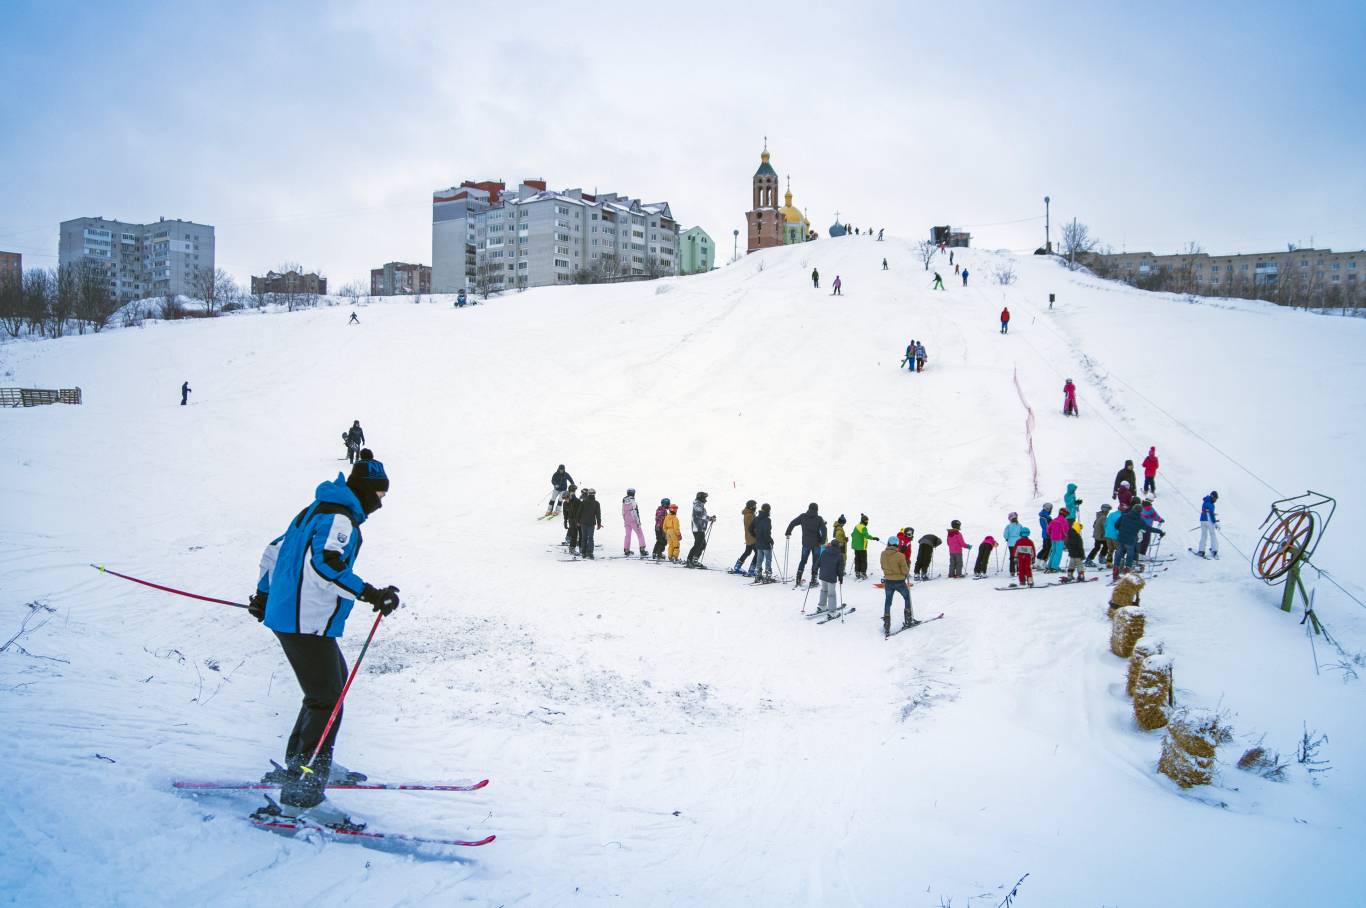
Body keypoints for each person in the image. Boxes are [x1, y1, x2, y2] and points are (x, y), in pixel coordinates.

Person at [248, 457, 399, 810]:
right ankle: (304, 787)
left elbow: (273, 552)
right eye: (379, 493)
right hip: (304, 620)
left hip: (297, 618)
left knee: (328, 691)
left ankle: (304, 764)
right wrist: (369, 592)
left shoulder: (314, 510)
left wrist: (264, 596)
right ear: (364, 489)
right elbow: (324, 564)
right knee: (326, 698)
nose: (380, 502)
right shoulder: (339, 518)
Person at [786, 502, 828, 587]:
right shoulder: (819, 519)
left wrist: (788, 532)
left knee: (803, 561)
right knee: (815, 562)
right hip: (816, 544)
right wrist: (822, 541)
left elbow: (792, 523)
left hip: (806, 544)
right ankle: (813, 580)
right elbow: (824, 531)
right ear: (817, 509)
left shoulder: (803, 516)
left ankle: (798, 580)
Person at [880, 536, 913, 636]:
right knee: (907, 597)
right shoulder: (900, 555)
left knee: (888, 601)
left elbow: (882, 566)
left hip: (888, 581)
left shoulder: (883, 554)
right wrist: (906, 569)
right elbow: (905, 571)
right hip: (899, 581)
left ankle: (887, 623)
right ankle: (908, 619)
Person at [1113, 502, 1147, 580]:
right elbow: (1146, 529)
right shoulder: (1138, 519)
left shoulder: (1125, 516)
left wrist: (1121, 530)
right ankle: (1127, 571)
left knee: (1118, 554)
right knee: (1130, 554)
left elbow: (1116, 525)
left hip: (1121, 538)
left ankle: (1116, 572)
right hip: (1130, 540)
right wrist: (1160, 532)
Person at [686, 491, 716, 567]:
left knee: (702, 544)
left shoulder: (699, 505)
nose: (706, 499)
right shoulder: (697, 505)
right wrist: (710, 518)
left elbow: (702, 515)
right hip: (697, 528)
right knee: (698, 544)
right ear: (701, 498)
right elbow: (700, 515)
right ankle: (689, 560)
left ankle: (694, 560)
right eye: (705, 497)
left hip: (700, 528)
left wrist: (709, 518)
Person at [815, 540, 845, 616]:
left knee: (824, 590)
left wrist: (814, 570)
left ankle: (822, 606)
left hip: (823, 575)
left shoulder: (825, 552)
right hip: (831, 577)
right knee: (831, 594)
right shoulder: (839, 555)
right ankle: (832, 612)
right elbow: (840, 569)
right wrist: (841, 578)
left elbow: (818, 562)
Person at [750, 503, 775, 582]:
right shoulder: (767, 520)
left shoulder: (756, 518)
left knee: (759, 559)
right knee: (768, 559)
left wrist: (756, 536)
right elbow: (766, 532)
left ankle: (758, 575)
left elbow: (750, 529)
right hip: (766, 544)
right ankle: (768, 576)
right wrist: (770, 541)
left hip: (759, 543)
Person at [851, 514, 879, 580]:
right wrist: (874, 538)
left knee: (857, 559)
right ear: (864, 521)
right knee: (863, 560)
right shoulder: (863, 527)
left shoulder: (857, 526)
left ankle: (857, 572)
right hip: (862, 547)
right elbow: (866, 536)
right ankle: (863, 573)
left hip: (856, 547)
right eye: (866, 521)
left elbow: (852, 534)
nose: (867, 522)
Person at [733, 500, 758, 574]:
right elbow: (752, 527)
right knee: (757, 553)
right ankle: (751, 570)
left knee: (747, 552)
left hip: (748, 537)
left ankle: (737, 566)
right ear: (750, 507)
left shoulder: (749, 514)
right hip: (752, 537)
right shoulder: (749, 515)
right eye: (754, 506)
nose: (755, 507)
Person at [578, 488, 603, 558]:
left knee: (584, 538)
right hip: (591, 523)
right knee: (591, 538)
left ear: (588, 494)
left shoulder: (583, 502)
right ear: (594, 494)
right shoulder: (596, 503)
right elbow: (598, 514)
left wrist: (578, 521)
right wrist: (599, 523)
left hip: (583, 522)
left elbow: (579, 512)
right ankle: (590, 552)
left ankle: (583, 552)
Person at [622, 489, 647, 558]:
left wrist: (625, 519)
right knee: (640, 534)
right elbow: (635, 512)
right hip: (633, 520)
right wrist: (638, 522)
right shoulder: (633, 502)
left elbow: (623, 512)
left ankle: (626, 549)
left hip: (626, 520)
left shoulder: (624, 501)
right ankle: (642, 549)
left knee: (628, 535)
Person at [1062, 516, 1087, 583]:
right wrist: (1083, 555)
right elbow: (1080, 547)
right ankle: (1080, 576)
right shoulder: (1078, 537)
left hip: (1071, 554)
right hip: (1078, 555)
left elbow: (1066, 544)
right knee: (1079, 565)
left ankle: (1070, 576)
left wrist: (1069, 550)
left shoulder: (1069, 535)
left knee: (1071, 565)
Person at [1196, 491, 1220, 558]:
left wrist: (1211, 513)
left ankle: (1201, 551)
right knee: (1212, 535)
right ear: (1212, 497)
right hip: (1208, 520)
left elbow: (1207, 510)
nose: (1216, 500)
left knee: (1204, 535)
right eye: (1215, 498)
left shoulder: (1205, 501)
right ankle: (1214, 550)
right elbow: (1211, 514)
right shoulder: (1211, 504)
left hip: (1202, 520)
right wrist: (1215, 523)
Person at [563, 485, 581, 550]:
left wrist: (578, 521)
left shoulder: (576, 501)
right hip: (571, 520)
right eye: (564, 499)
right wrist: (565, 521)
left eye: (566, 498)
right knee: (574, 534)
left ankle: (575, 545)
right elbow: (565, 514)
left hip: (577, 520)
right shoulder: (565, 503)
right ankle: (572, 547)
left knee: (576, 534)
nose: (565, 500)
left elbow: (579, 511)